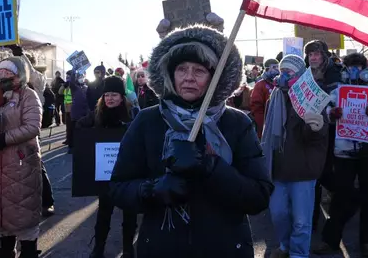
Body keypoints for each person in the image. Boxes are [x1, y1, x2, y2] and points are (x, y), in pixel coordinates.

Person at [109, 25, 273, 258]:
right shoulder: (147, 121)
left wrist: (212, 167)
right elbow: (118, 188)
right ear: (169, 73)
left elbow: (259, 196)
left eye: (199, 71)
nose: (188, 78)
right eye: (182, 69)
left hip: (225, 248)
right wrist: (152, 190)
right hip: (160, 248)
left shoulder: (236, 123)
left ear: (214, 77)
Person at [314, 53, 368, 258]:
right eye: (350, 66)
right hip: (343, 153)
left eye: (358, 66)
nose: (354, 70)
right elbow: (320, 116)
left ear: (365, 68)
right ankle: (330, 239)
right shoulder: (335, 92)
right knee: (340, 196)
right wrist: (330, 115)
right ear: (345, 69)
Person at [263, 55, 328, 258]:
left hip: (303, 170)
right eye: (282, 71)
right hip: (278, 168)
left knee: (301, 220)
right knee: (278, 214)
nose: (284, 75)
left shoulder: (312, 97)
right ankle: (285, 245)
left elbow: (317, 136)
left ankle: (298, 253)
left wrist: (316, 128)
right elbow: (267, 133)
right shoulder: (274, 98)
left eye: (289, 72)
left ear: (300, 74)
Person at [0, 57, 43, 258]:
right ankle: (6, 248)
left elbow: (32, 127)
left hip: (20, 160)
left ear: (19, 74)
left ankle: (28, 250)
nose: (4, 77)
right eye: (1, 73)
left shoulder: (28, 95)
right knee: (2, 205)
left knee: (22, 206)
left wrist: (4, 139)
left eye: (9, 73)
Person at [76, 76, 137, 258]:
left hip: (127, 173)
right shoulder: (97, 115)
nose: (110, 98)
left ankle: (128, 248)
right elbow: (79, 127)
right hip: (105, 174)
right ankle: (99, 247)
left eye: (114, 95)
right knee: (104, 212)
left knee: (129, 212)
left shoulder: (132, 114)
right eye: (107, 95)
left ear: (121, 97)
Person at [304, 40, 344, 231]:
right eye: (310, 54)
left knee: (323, 172)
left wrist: (324, 113)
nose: (313, 57)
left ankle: (347, 199)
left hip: (327, 130)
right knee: (313, 175)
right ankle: (311, 219)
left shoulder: (333, 73)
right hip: (307, 130)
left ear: (324, 55)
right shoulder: (305, 74)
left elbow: (336, 99)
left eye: (316, 54)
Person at [250, 58, 279, 138]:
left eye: (278, 67)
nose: (277, 70)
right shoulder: (260, 85)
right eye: (274, 67)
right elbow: (256, 107)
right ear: (267, 69)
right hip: (265, 123)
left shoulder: (278, 84)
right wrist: (263, 125)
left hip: (277, 122)